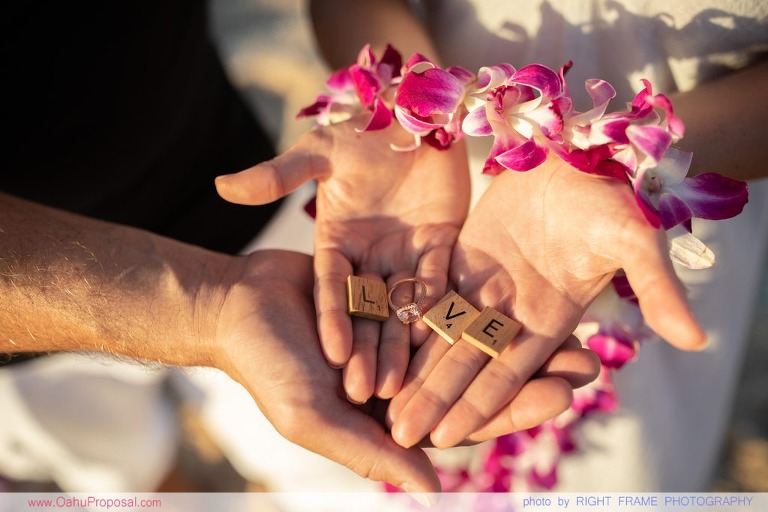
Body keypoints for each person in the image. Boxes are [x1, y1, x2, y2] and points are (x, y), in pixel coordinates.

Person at [0, 0, 599, 494]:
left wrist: (399, 110)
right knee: (108, 471)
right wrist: (203, 308)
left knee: (324, 434)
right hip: (31, 318)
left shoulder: (349, 245)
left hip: (225, 178)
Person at [216, 0, 768, 492]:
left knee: (625, 449)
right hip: (440, 165)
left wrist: (630, 162)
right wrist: (407, 111)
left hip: (633, 205)